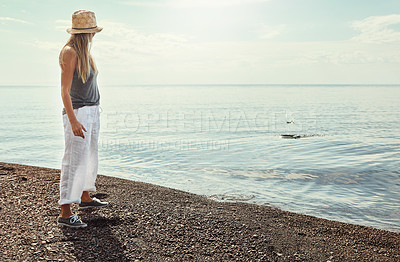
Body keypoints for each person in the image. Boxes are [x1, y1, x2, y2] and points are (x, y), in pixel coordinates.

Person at [57, 10, 108, 228]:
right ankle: (65, 212)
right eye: (91, 32)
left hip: (92, 111)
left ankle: (85, 197)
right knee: (74, 160)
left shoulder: (85, 53)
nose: (93, 35)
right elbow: (64, 91)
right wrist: (73, 121)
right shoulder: (70, 52)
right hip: (78, 112)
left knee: (89, 157)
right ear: (83, 33)